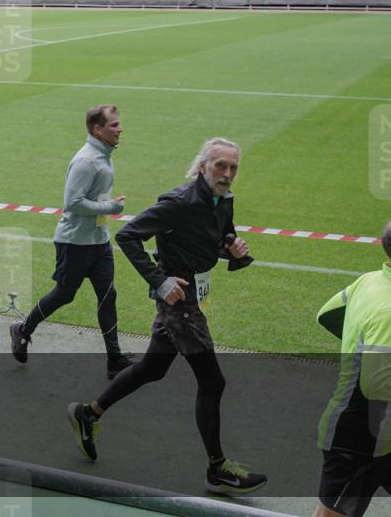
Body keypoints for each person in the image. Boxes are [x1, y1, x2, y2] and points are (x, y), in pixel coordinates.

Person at [65, 137, 268, 496]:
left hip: (193, 295)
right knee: (213, 382)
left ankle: (89, 413)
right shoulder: (178, 203)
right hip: (179, 302)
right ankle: (217, 469)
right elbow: (128, 236)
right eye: (220, 165)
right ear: (203, 165)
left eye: (233, 168)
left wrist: (234, 248)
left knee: (151, 369)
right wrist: (159, 281)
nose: (227, 174)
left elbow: (222, 235)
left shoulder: (224, 200)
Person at [313, 211, 391, 517]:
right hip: (359, 441)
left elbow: (327, 314)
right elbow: (377, 383)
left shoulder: (372, 281)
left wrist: (362, 348)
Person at [9, 104, 133, 378]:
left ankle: (114, 359)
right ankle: (23, 329)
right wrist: (110, 207)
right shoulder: (86, 161)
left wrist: (106, 210)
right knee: (65, 294)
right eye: (114, 125)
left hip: (99, 242)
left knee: (108, 296)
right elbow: (73, 203)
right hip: (74, 243)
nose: (120, 128)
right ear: (97, 129)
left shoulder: (103, 154)